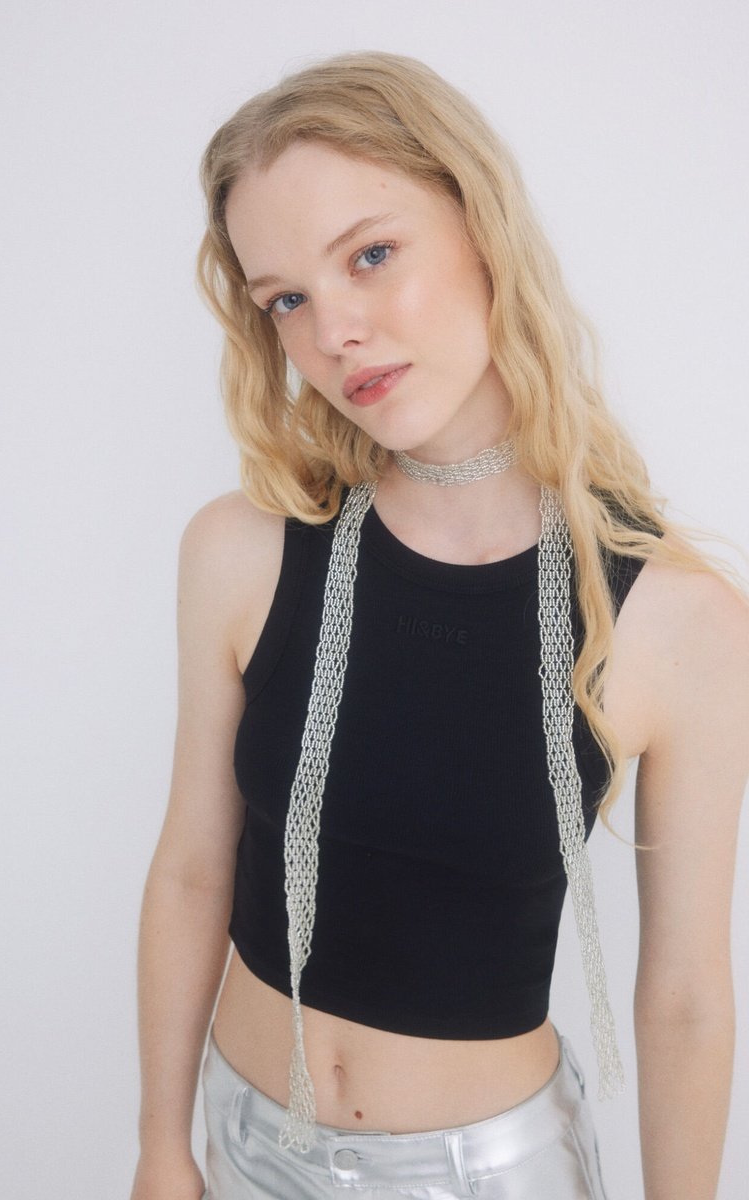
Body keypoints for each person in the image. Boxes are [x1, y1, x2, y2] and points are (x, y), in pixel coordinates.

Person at [129, 52, 748, 1200]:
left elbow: (685, 1000)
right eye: (285, 300)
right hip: (240, 1141)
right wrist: (161, 1146)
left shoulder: (677, 624)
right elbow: (191, 869)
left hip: (486, 1178)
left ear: (481, 227)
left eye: (370, 254)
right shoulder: (240, 553)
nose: (334, 332)